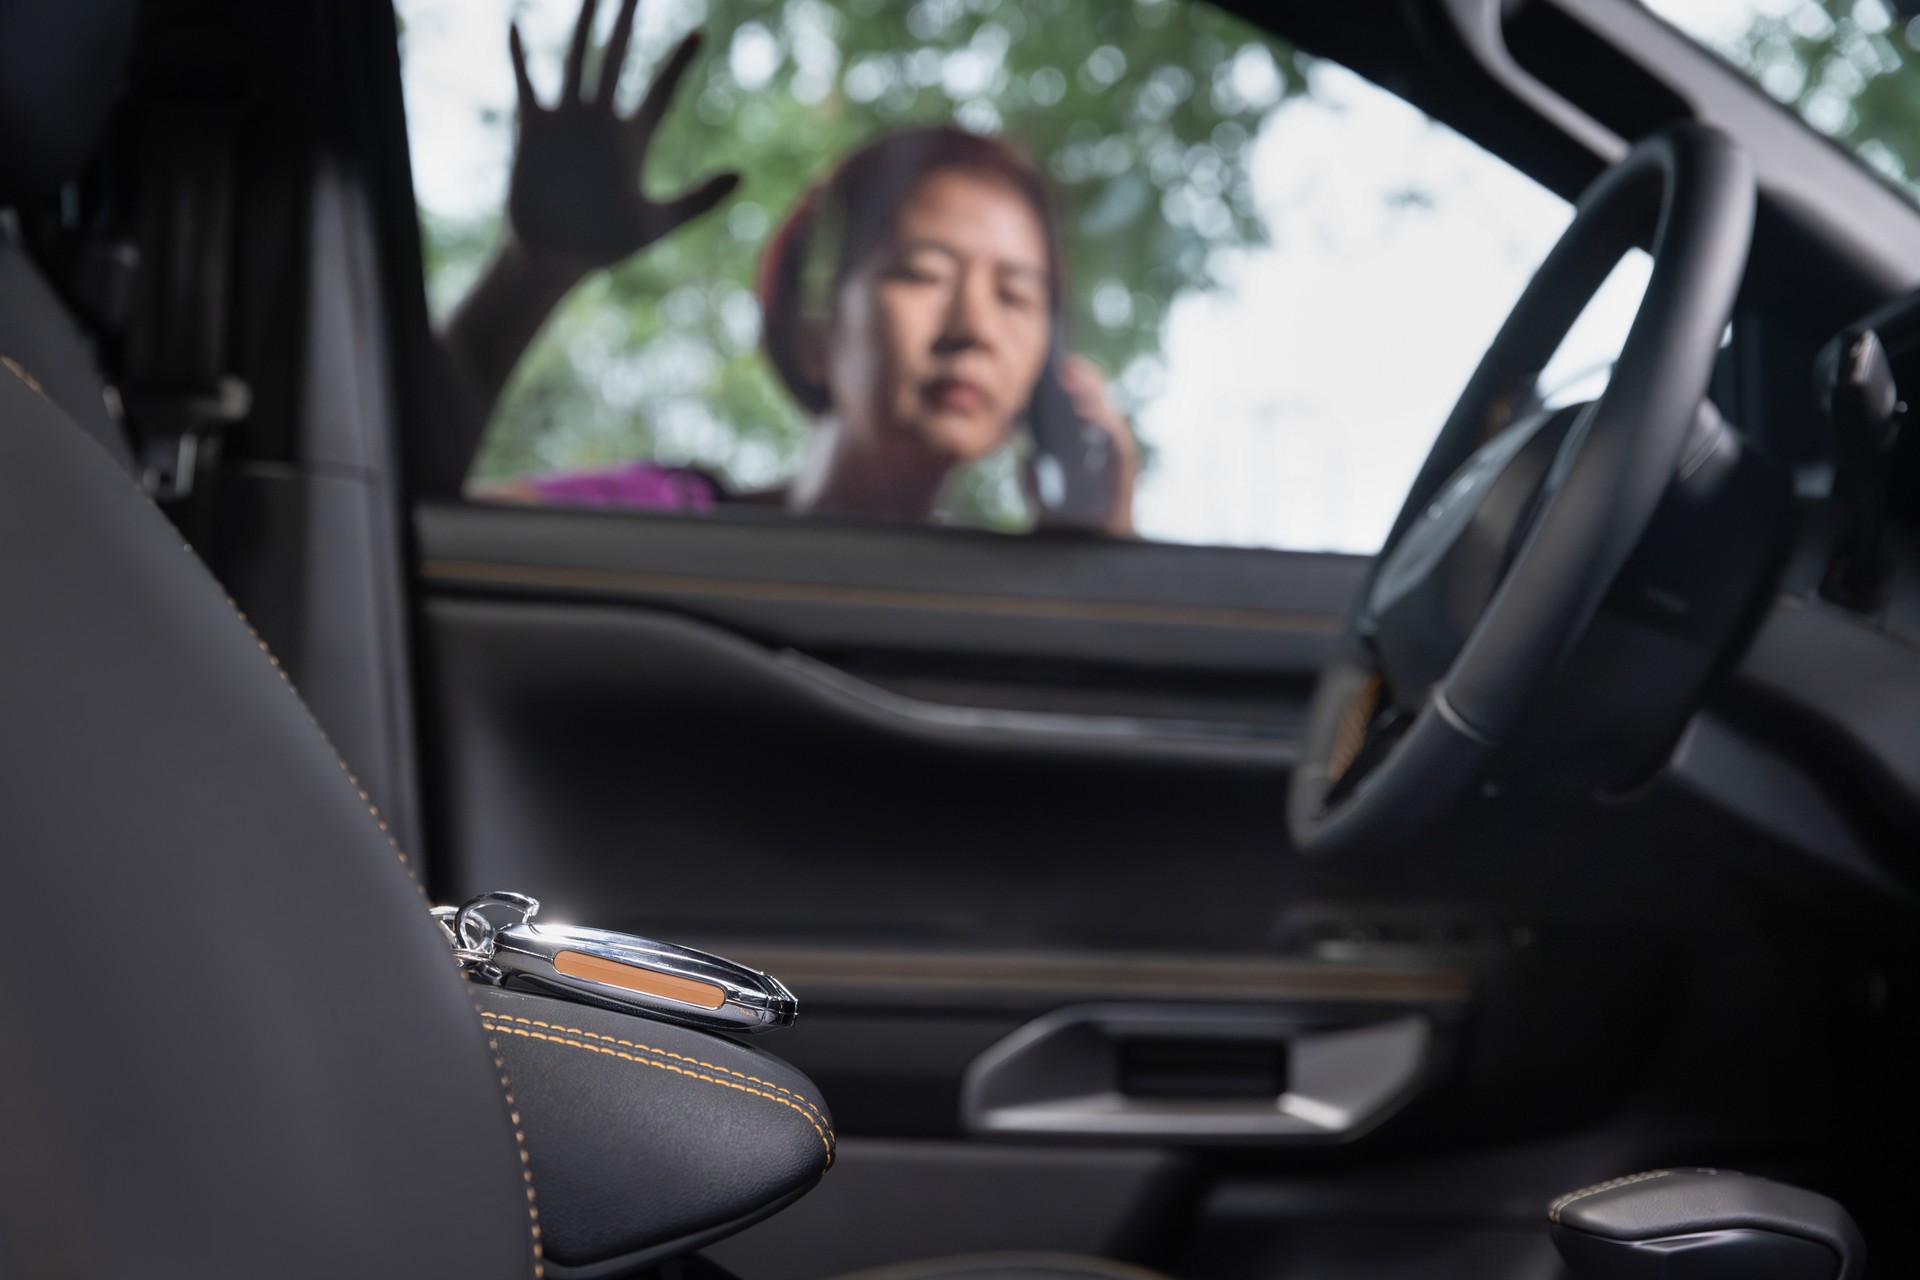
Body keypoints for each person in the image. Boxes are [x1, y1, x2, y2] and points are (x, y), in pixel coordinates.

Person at [440, 0, 1137, 535]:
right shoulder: (657, 519)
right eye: (923, 273)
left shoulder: (1012, 608)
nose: (975, 328)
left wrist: (1096, 553)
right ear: (815, 331)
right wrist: (531, 277)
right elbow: (380, 545)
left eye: (1016, 296)